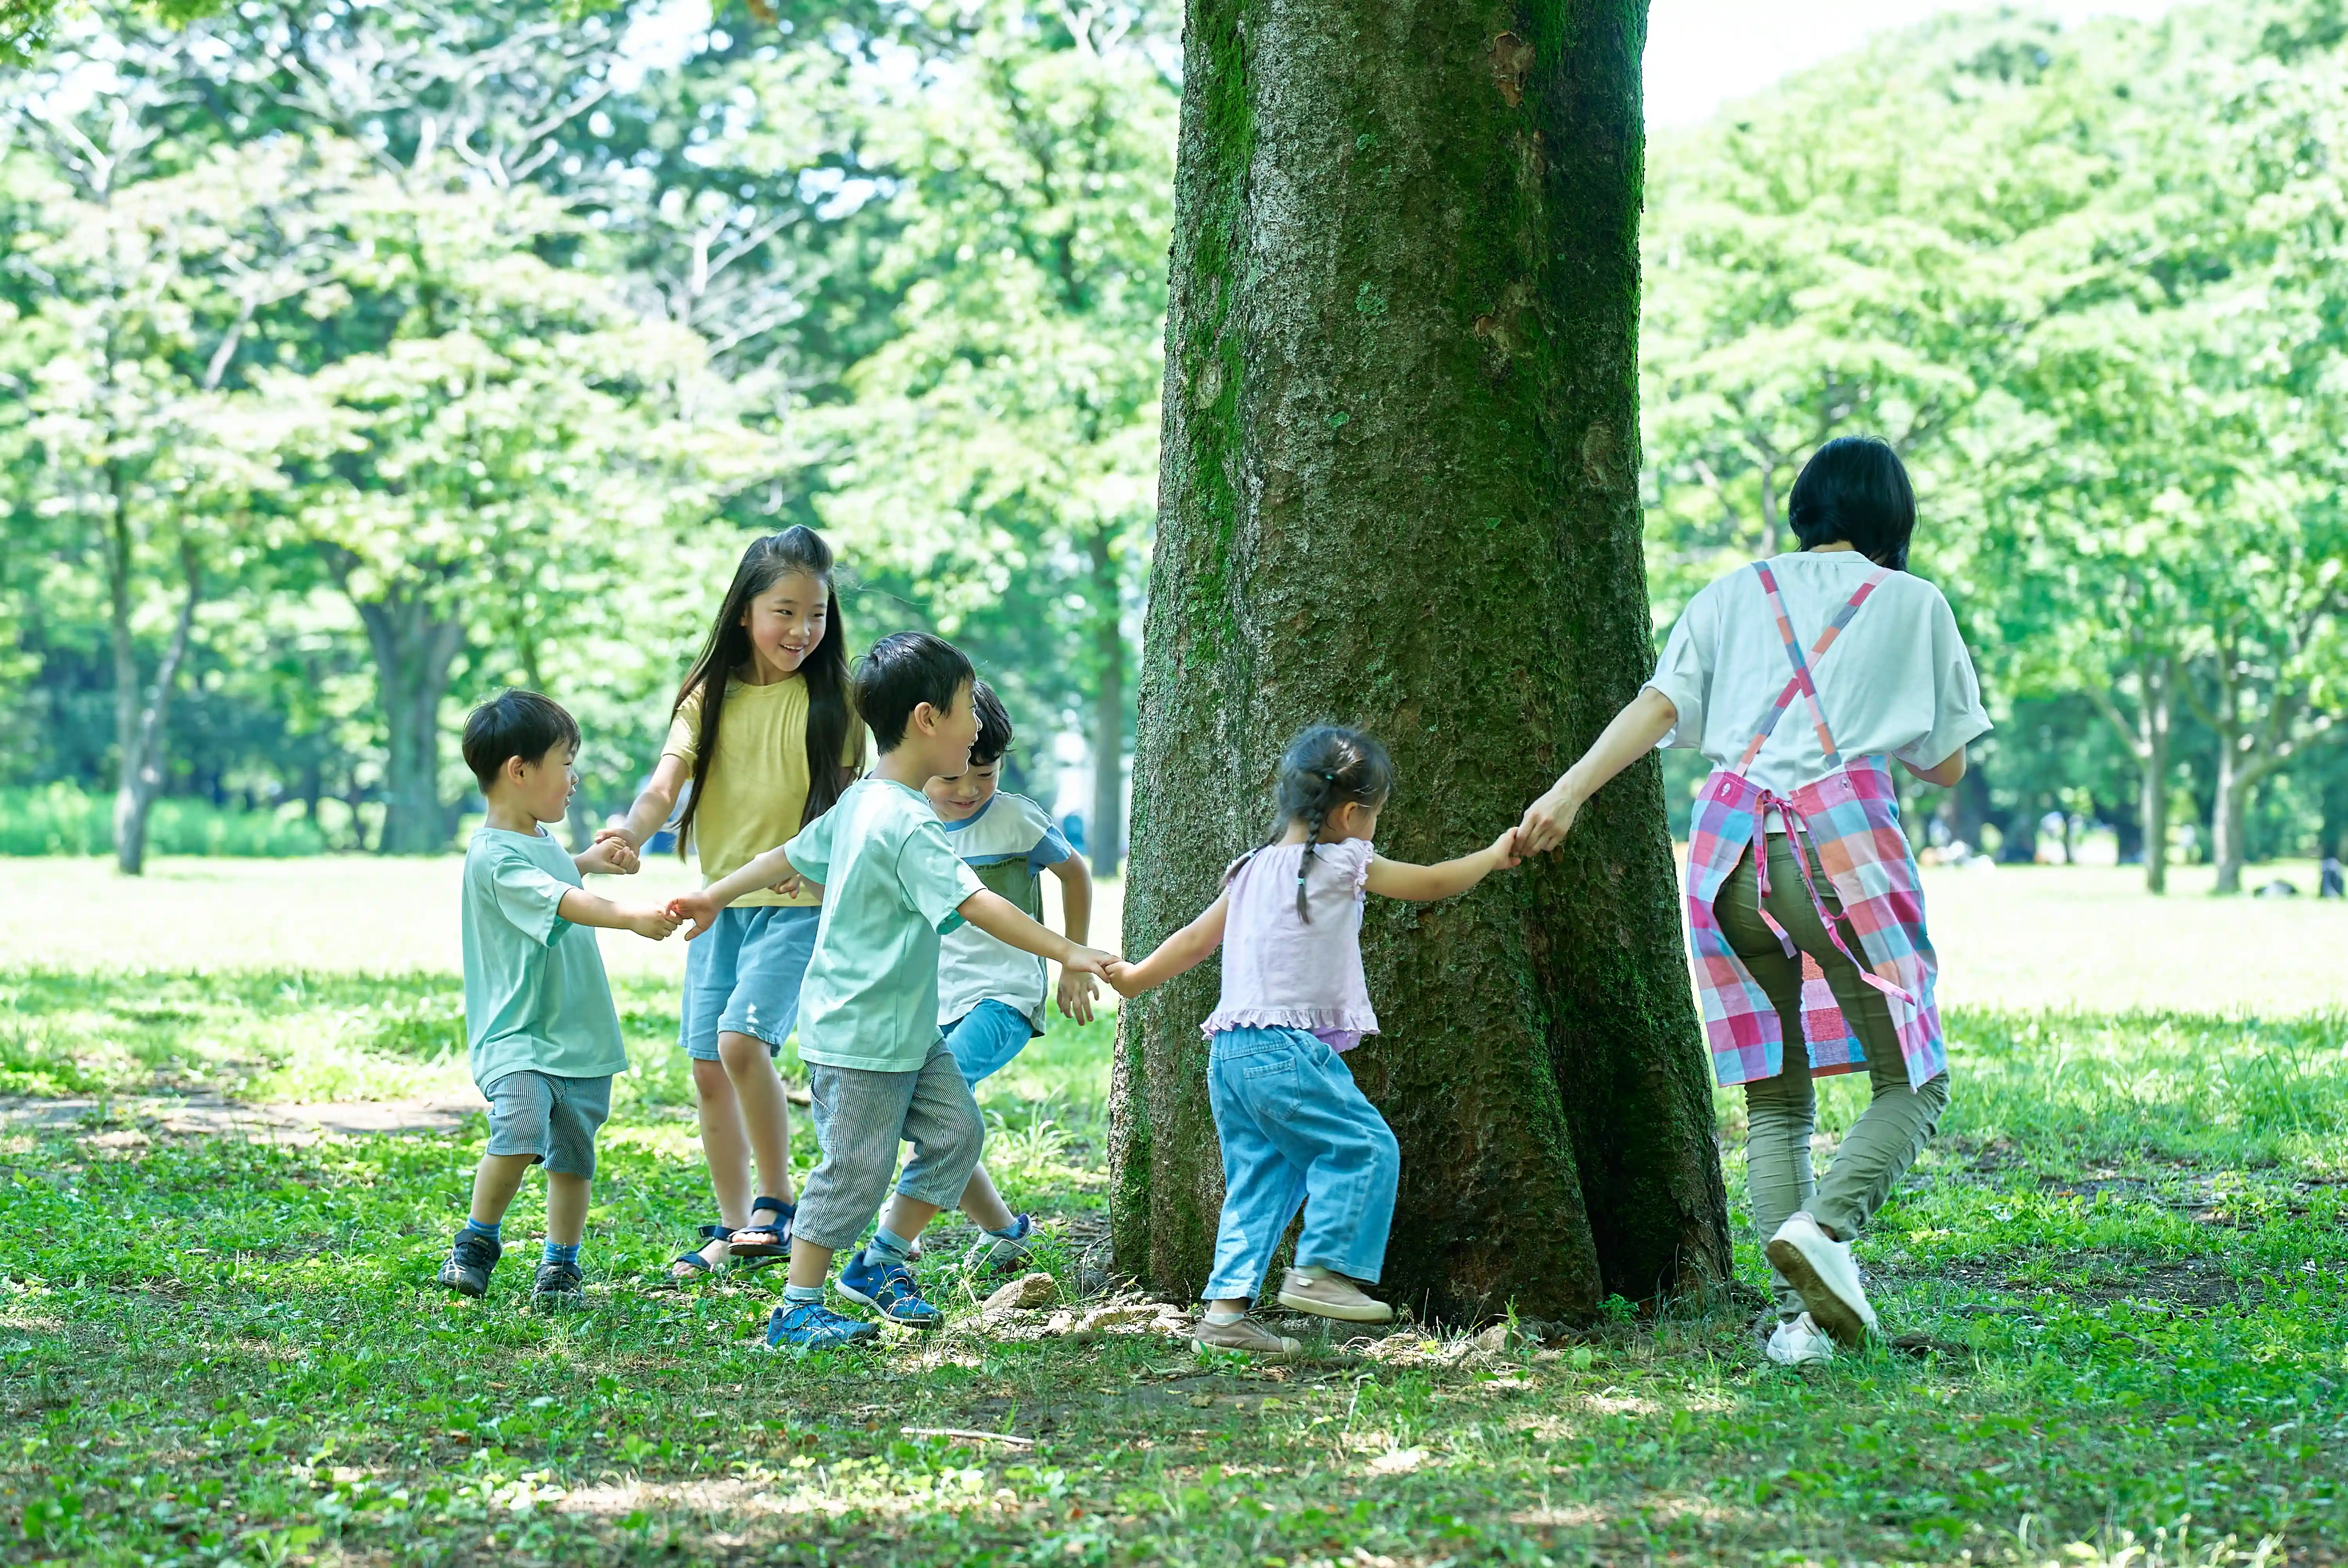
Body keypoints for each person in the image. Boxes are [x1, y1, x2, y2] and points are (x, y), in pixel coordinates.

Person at [1516, 435, 1988, 1367]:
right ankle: (1826, 1232)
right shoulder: (1914, 603)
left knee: (1778, 1098)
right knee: (1915, 1079)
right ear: (1895, 521)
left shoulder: (1732, 593)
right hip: (1839, 849)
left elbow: (1658, 708)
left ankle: (1805, 1323)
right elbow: (1946, 763)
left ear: (1804, 510)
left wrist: (1565, 794)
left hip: (1727, 855)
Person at [668, 633, 1120, 1352]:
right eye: (969, 709)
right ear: (927, 719)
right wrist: (1069, 950)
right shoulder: (905, 819)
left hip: (909, 1031)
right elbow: (976, 904)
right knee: (854, 1169)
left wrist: (714, 895)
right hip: (859, 1035)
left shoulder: (865, 801)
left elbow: (787, 856)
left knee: (958, 1134)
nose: (978, 727)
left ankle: (879, 1264)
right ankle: (796, 1307)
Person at [1104, 725, 1522, 1359]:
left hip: (1231, 1053)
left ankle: (1224, 1315)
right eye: (1375, 816)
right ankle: (1322, 1271)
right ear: (1353, 814)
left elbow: (1194, 941)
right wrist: (1493, 855)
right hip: (1283, 1050)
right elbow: (1434, 882)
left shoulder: (1247, 871)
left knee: (1262, 1180)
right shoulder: (1349, 861)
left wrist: (1134, 979)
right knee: (1363, 1146)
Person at [595, 529, 865, 1284]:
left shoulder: (835, 698)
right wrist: (629, 833)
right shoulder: (708, 696)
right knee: (710, 1065)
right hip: (718, 906)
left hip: (794, 901)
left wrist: (819, 862)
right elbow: (663, 786)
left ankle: (778, 1206)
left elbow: (847, 809)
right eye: (785, 611)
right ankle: (735, 1220)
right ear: (745, 611)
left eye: (816, 613)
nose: (802, 631)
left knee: (744, 1042)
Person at [439, 690, 682, 1305]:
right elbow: (559, 901)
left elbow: (554, 877)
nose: (574, 779)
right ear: (520, 771)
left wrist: (586, 860)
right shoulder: (492, 854)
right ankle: (476, 1241)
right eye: (565, 763)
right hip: (519, 1034)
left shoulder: (536, 840)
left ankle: (561, 1264)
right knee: (520, 1131)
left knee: (573, 1159)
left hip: (576, 1034)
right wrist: (627, 915)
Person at [926, 681, 1096, 1274]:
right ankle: (1003, 1231)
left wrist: (1072, 959)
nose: (970, 791)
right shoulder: (908, 822)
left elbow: (1076, 875)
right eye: (952, 778)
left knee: (934, 1096)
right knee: (934, 1107)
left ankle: (898, 1235)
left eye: (987, 774)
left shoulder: (1018, 821)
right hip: (933, 1001)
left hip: (1004, 995)